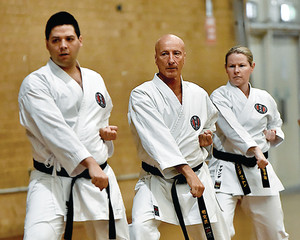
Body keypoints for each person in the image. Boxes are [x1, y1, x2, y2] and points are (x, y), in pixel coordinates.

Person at [18, 11, 129, 240]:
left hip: (96, 177)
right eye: (56, 40)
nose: (63, 46)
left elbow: (100, 115)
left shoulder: (95, 78)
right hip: (52, 180)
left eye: (69, 38)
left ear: (80, 40)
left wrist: (103, 132)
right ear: (47, 44)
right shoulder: (35, 83)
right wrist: (89, 162)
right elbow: (55, 131)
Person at [127, 34, 230, 240]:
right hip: (156, 180)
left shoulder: (198, 94)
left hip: (198, 177)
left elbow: (209, 123)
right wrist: (187, 172)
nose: (171, 60)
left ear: (184, 57)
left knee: (218, 236)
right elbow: (157, 139)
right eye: (164, 54)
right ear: (156, 58)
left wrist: (206, 138)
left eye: (176, 53)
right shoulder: (142, 95)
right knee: (139, 229)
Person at [209, 46, 289, 240]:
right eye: (232, 66)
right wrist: (255, 149)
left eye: (242, 65)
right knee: (218, 230)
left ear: (252, 67)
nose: (237, 70)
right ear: (226, 68)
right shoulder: (219, 96)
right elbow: (232, 128)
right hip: (226, 168)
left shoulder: (264, 97)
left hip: (258, 169)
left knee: (274, 231)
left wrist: (274, 134)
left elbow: (276, 123)